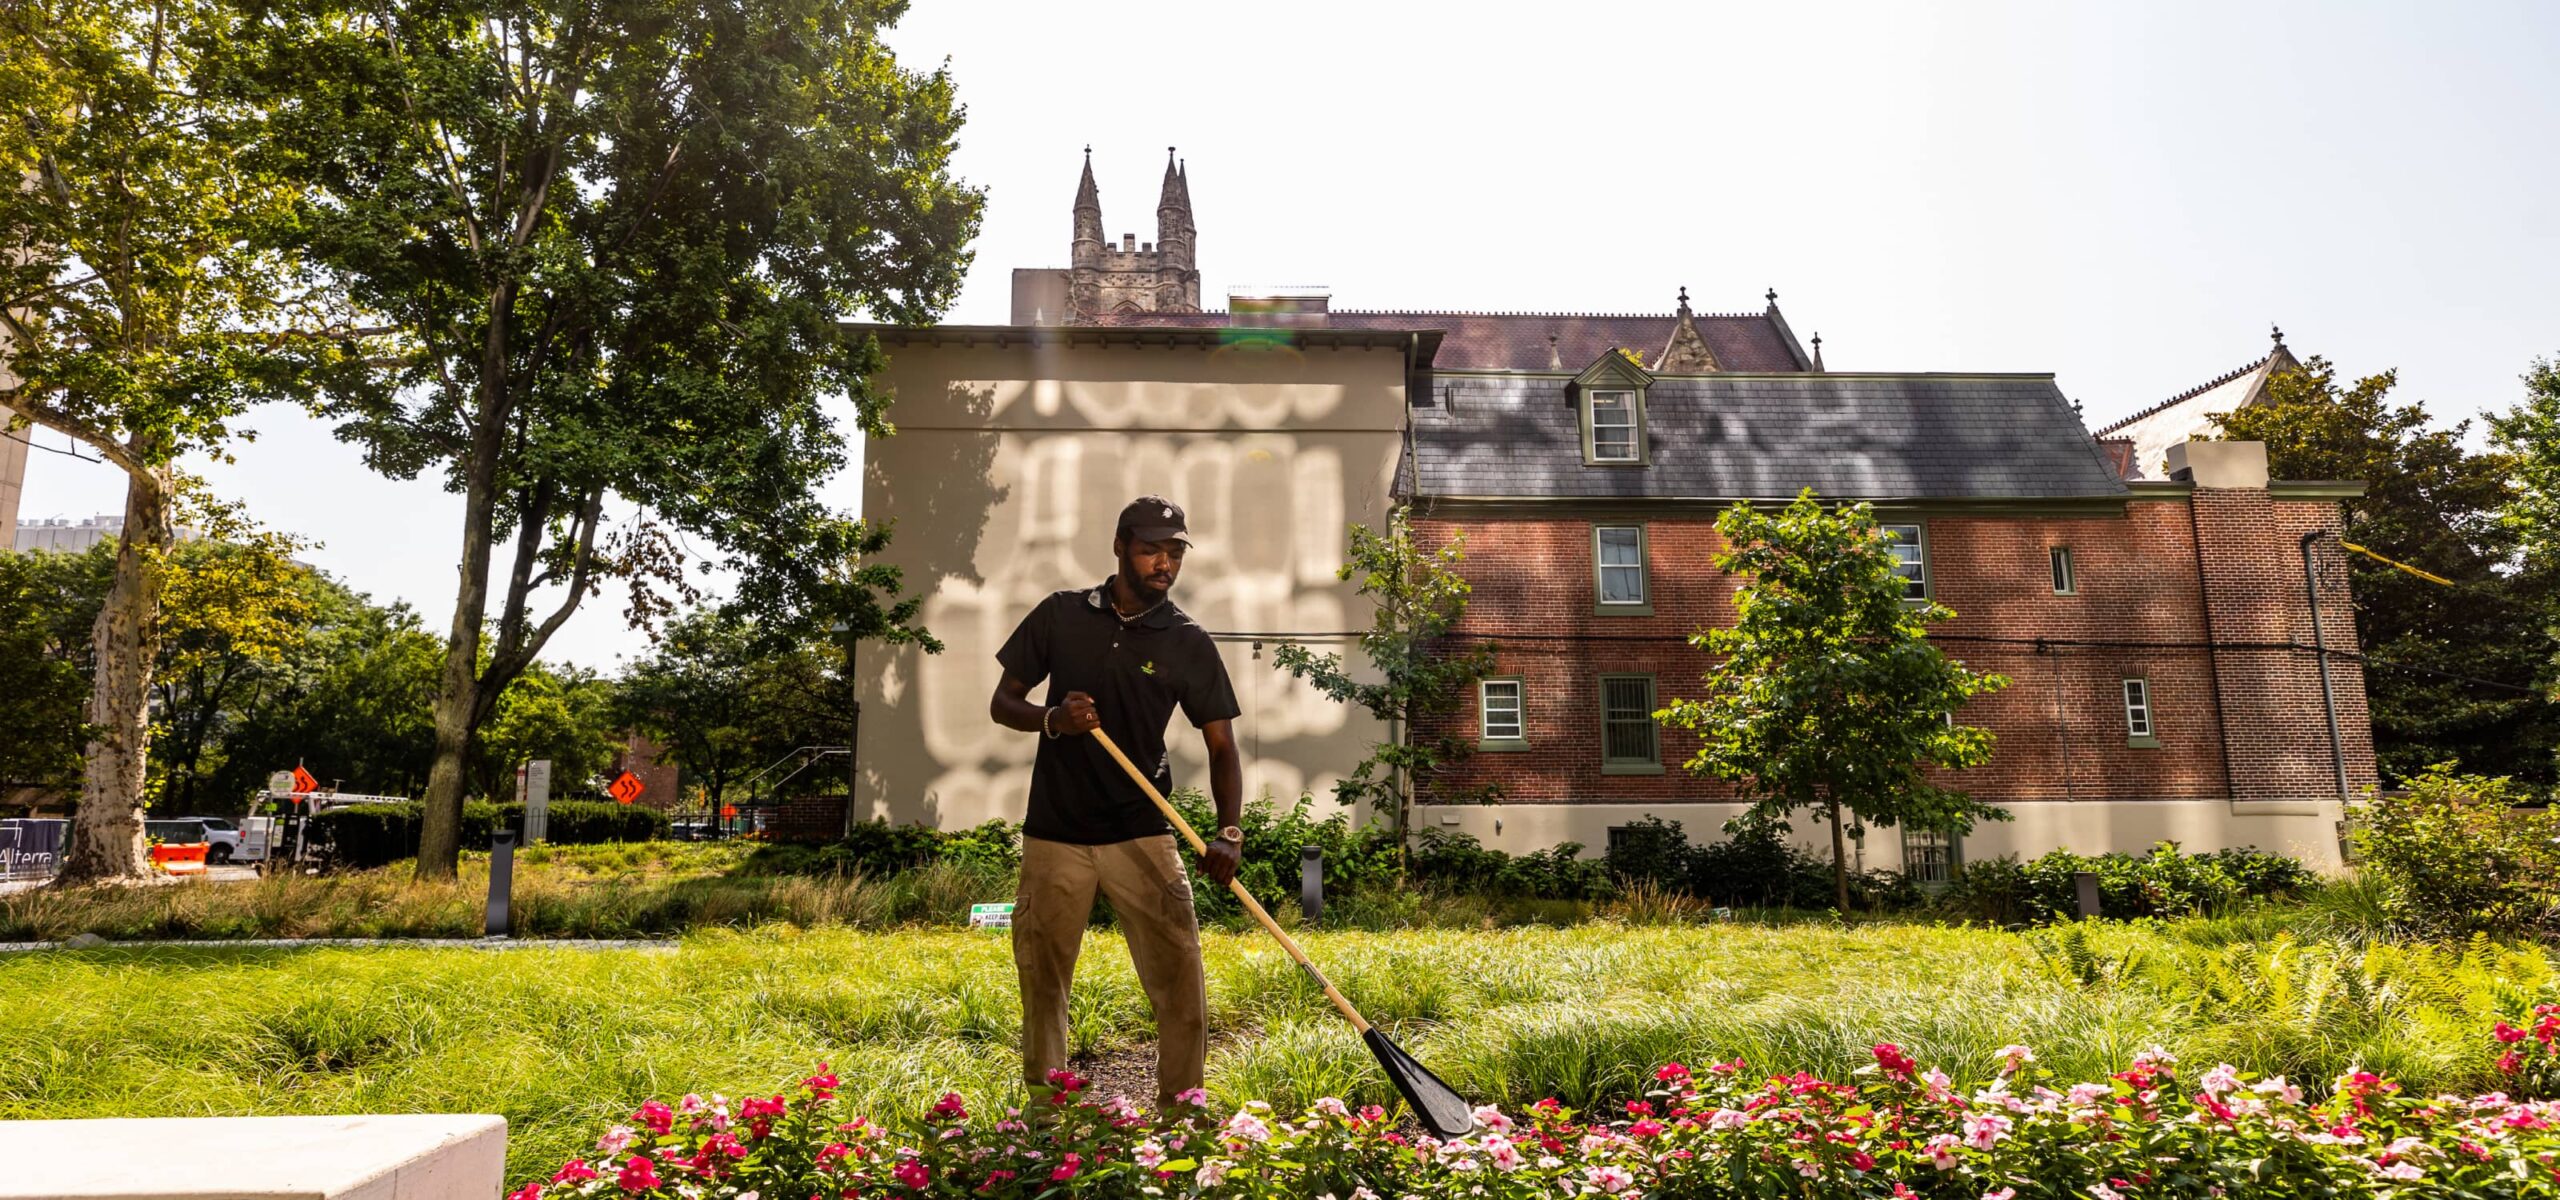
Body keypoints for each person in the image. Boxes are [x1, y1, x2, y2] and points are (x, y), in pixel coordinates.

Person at [987, 494, 1243, 1110]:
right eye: (1152, 549)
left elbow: (1222, 745)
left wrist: (1229, 831)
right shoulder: (1060, 614)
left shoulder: (1186, 640)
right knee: (1043, 984)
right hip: (1055, 833)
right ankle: (1047, 1122)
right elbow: (1003, 703)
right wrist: (1053, 718)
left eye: (1175, 552)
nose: (1164, 563)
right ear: (1121, 547)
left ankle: (1182, 1116)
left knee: (1181, 983)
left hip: (1142, 829)